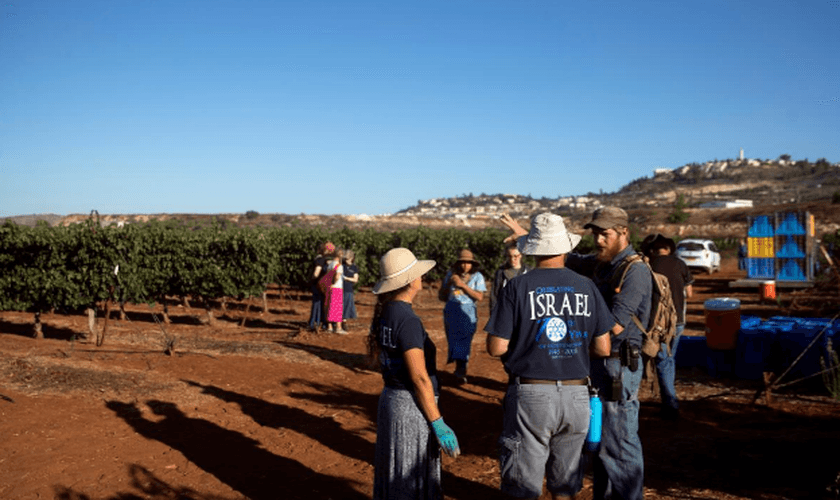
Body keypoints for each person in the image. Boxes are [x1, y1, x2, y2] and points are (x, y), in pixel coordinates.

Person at [505, 207, 651, 500]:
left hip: (618, 369)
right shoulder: (602, 264)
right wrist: (530, 236)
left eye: (605, 234)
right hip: (600, 366)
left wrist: (558, 345)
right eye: (595, 233)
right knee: (598, 443)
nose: (598, 240)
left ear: (624, 232)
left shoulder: (635, 271)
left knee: (619, 444)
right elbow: (561, 257)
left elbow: (616, 328)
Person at [487, 213, 613, 500]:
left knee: (522, 485)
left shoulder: (517, 287)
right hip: (578, 396)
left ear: (531, 249)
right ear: (566, 248)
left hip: (532, 394)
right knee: (565, 486)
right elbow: (604, 348)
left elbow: (496, 347)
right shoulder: (587, 287)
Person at [369, 247, 461, 500]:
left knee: (396, 473)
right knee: (411, 475)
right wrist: (438, 423)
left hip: (391, 401)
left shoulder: (386, 312)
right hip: (411, 408)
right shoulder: (407, 320)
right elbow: (419, 377)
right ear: (410, 281)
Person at [641, 233, 694, 420]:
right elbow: (690, 292)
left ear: (653, 250)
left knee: (662, 360)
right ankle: (668, 400)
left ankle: (670, 404)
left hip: (658, 323)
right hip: (678, 321)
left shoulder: (649, 266)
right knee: (667, 360)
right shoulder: (680, 264)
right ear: (669, 249)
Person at [439, 248, 487, 385]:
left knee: (465, 341)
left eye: (468, 263)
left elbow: (479, 296)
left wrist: (462, 286)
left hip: (468, 312)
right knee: (453, 341)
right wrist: (449, 284)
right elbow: (442, 296)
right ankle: (458, 368)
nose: (465, 265)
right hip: (451, 311)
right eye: (462, 262)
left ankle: (461, 369)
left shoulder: (477, 276)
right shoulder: (450, 275)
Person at [489, 244, 530, 314]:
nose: (512, 259)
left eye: (515, 256)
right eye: (510, 256)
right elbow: (494, 295)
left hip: (524, 312)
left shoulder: (529, 272)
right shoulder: (500, 272)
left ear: (521, 255)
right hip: (505, 312)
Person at [307, 241, 333, 331]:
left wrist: (311, 280)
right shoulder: (327, 260)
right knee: (323, 303)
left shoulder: (319, 259)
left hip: (318, 284)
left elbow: (316, 273)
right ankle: (322, 323)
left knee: (317, 303)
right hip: (325, 285)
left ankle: (315, 323)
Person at [323, 247, 346, 334]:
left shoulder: (330, 264)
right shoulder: (339, 266)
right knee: (337, 307)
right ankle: (338, 327)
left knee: (329, 306)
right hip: (337, 287)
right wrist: (335, 282)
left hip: (329, 287)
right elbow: (337, 276)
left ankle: (329, 327)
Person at [342, 249, 359, 332]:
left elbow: (355, 280)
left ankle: (344, 321)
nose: (346, 260)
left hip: (348, 289)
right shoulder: (342, 265)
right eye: (345, 259)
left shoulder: (354, 268)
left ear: (352, 258)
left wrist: (346, 278)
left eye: (348, 259)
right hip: (340, 288)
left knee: (346, 306)